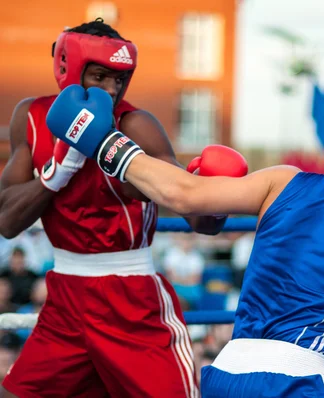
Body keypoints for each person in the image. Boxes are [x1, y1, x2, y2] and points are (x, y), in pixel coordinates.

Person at [45, 84, 324, 397]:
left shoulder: (282, 180)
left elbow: (183, 193)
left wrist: (102, 140)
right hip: (296, 381)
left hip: (225, 374)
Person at [0, 18, 247, 398]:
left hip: (130, 301)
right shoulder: (30, 118)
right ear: (68, 69)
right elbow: (6, 221)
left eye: (120, 79)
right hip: (65, 297)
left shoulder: (135, 126)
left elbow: (202, 221)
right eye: (100, 76)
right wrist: (58, 170)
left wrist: (217, 189)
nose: (112, 90)